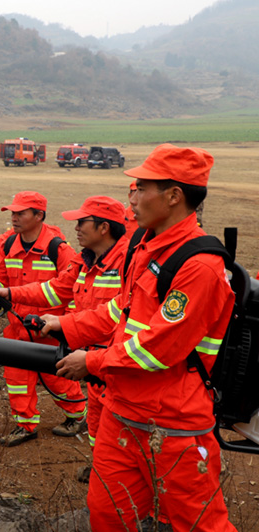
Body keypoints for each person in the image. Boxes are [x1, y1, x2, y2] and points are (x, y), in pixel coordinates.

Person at [45, 144, 237, 530]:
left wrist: (92, 361)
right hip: (122, 412)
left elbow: (160, 348)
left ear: (173, 195)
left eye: (141, 187)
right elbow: (122, 311)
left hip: (173, 426)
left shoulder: (199, 266)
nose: (131, 197)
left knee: (197, 525)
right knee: (108, 516)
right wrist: (69, 325)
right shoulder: (142, 246)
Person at [0, 196, 128, 477]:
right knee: (97, 423)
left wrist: (64, 324)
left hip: (116, 361)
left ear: (104, 228)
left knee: (118, 425)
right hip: (91, 358)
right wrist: (11, 293)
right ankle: (101, 468)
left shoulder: (129, 264)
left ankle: (114, 475)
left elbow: (116, 314)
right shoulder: (85, 262)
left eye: (82, 221)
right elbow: (54, 289)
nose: (75, 228)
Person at [0, 191, 86, 447]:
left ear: (39, 215)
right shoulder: (8, 245)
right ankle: (25, 425)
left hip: (49, 332)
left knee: (59, 379)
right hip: (17, 329)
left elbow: (74, 289)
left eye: (21, 213)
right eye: (13, 213)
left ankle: (77, 416)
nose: (14, 218)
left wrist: (69, 327)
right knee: (17, 380)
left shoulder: (58, 249)